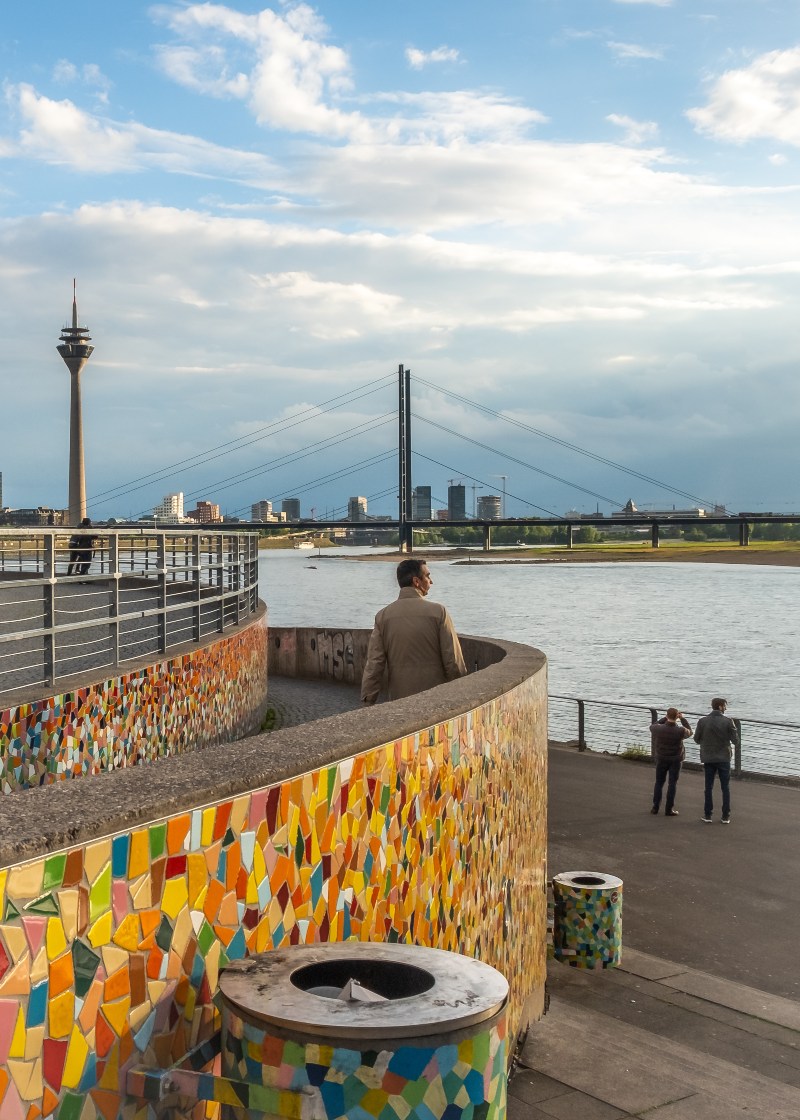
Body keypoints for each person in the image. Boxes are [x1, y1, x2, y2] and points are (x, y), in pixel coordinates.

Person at [360, 557, 467, 704]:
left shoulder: (383, 616)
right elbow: (452, 660)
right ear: (416, 581)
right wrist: (461, 692)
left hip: (399, 699)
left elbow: (374, 664)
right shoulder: (438, 612)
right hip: (435, 697)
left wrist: (368, 699)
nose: (431, 581)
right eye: (428, 576)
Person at [694, 698, 739, 824]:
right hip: (724, 757)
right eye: (725, 706)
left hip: (708, 758)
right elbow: (736, 741)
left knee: (708, 787)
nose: (726, 708)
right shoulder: (728, 721)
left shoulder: (702, 721)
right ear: (719, 707)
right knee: (725, 788)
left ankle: (708, 815)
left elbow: (696, 739)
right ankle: (725, 816)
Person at [649, 707, 693, 816]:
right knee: (672, 784)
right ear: (677, 716)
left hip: (661, 757)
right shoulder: (681, 731)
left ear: (667, 715)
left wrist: (664, 718)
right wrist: (683, 719)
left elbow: (653, 725)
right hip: (676, 759)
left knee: (659, 782)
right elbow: (690, 732)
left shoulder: (658, 729)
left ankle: (655, 807)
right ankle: (669, 809)